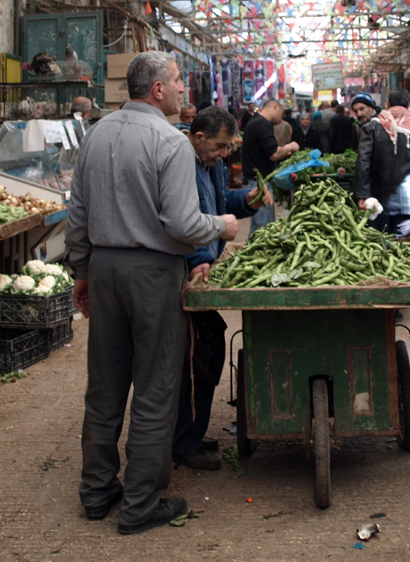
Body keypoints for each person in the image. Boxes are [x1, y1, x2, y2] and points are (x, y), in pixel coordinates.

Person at [67, 51, 239, 535]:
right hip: (152, 274)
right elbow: (182, 225)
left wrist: (83, 270)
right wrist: (221, 226)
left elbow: (77, 213)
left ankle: (97, 493)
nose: (185, 90)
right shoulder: (171, 141)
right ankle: (141, 504)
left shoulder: (96, 133)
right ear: (158, 90)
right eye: (180, 81)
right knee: (155, 388)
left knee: (104, 387)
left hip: (103, 268)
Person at [174, 106, 271, 471]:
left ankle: (191, 434)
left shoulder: (209, 165)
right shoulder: (182, 163)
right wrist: (201, 257)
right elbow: (185, 216)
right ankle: (184, 442)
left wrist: (248, 200)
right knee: (198, 353)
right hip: (185, 272)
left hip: (202, 266)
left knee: (208, 345)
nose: (223, 154)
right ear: (198, 138)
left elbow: (217, 205)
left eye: (227, 146)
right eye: (218, 146)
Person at [354, 89, 410, 238]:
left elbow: (363, 162)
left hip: (380, 202)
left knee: (382, 248)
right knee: (405, 248)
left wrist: (362, 195)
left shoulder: (372, 127)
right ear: (409, 105)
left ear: (387, 104)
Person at [241, 99, 299, 235]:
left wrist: (283, 151)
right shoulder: (263, 124)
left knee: (257, 228)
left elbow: (267, 150)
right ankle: (264, 256)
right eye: (282, 114)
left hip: (252, 180)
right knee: (266, 230)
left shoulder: (255, 121)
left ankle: (253, 254)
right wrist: (291, 146)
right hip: (259, 183)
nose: (281, 119)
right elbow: (273, 154)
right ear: (276, 107)